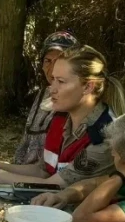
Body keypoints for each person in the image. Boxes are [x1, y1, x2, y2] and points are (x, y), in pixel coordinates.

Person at [0, 45, 125, 186]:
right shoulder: (60, 118)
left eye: (61, 81)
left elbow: (54, 185)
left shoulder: (104, 136)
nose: (52, 88)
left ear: (88, 87)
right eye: (53, 79)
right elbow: (43, 170)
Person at [13, 30, 80, 165]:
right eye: (47, 61)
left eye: (59, 61)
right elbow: (25, 141)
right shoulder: (43, 94)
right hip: (24, 173)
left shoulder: (76, 101)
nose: (51, 68)